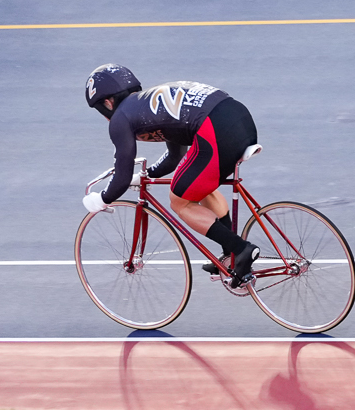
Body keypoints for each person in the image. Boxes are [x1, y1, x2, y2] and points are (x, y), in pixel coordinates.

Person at [81, 64, 260, 285]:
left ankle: (241, 249)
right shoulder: (148, 102)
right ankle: (230, 255)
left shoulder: (121, 117)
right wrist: (148, 174)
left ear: (107, 103)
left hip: (215, 130)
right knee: (198, 185)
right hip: (238, 117)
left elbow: (122, 174)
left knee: (179, 200)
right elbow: (175, 156)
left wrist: (102, 199)